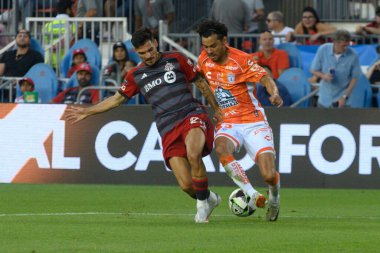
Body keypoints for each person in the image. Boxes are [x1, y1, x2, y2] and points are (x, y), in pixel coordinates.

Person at [65, 27, 222, 223]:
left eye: (150, 50)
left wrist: (217, 109)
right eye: (142, 53)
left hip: (190, 114)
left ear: (155, 43)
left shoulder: (176, 59)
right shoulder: (135, 75)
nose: (148, 55)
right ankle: (210, 198)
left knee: (193, 154)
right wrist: (88, 111)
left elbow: (201, 84)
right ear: (136, 53)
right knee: (186, 185)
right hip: (167, 128)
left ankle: (201, 209)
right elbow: (115, 100)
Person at [196, 20, 282, 221]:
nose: (209, 51)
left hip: (253, 121)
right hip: (229, 121)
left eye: (213, 46)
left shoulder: (242, 60)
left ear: (224, 41)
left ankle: (275, 199)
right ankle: (252, 193)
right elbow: (201, 81)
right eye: (205, 46)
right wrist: (215, 107)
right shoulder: (203, 59)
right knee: (221, 148)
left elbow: (265, 78)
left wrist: (274, 93)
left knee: (269, 175)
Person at [310, 29, 362, 108]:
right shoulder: (323, 49)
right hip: (324, 99)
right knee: (322, 120)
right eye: (343, 45)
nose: (346, 48)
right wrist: (323, 76)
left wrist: (345, 96)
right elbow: (313, 70)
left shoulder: (353, 55)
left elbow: (355, 78)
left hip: (343, 101)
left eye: (348, 45)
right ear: (335, 42)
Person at [43, 0, 75, 71]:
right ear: (68, 10)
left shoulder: (47, 25)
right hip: (66, 62)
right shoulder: (72, 25)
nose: (74, 10)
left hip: (49, 62)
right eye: (73, 8)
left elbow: (46, 42)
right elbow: (73, 44)